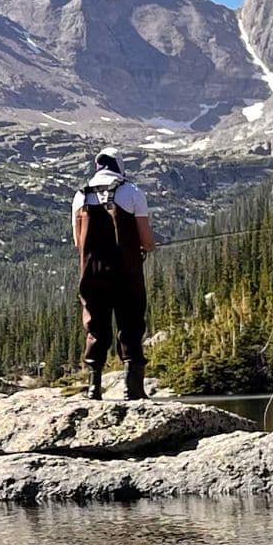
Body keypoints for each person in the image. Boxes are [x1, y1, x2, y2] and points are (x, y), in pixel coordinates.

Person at [72, 147, 155, 401]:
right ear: (119, 166)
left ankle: (93, 388)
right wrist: (148, 246)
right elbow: (146, 240)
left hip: (93, 272)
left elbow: (78, 241)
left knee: (95, 326)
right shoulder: (132, 192)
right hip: (126, 270)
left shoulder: (80, 196)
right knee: (130, 323)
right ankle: (133, 389)